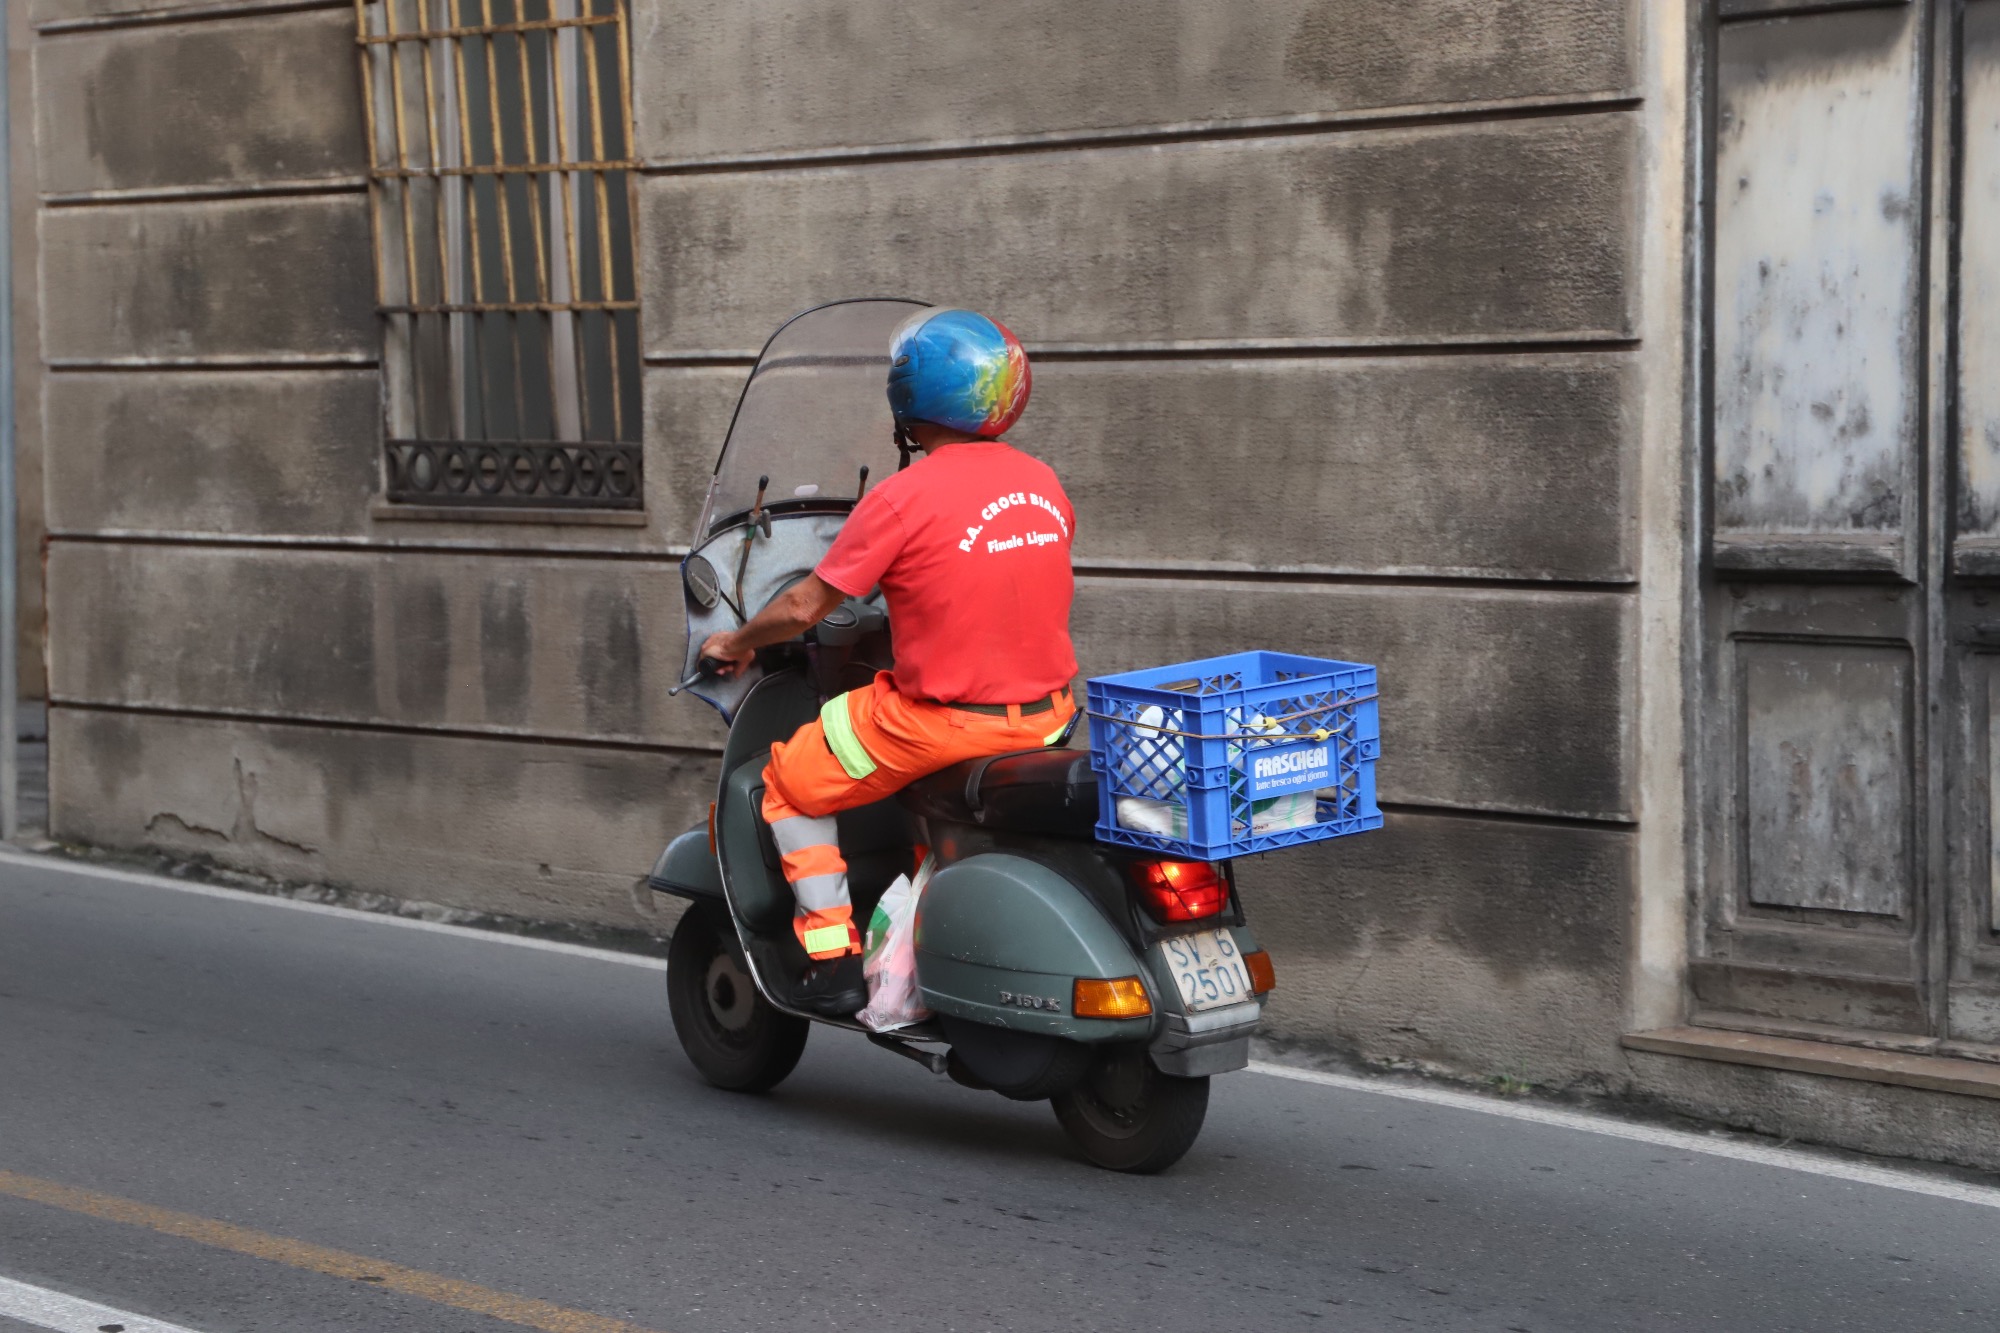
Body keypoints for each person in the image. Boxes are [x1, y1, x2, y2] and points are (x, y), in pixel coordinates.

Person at [697, 308, 1079, 1016]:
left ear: (908, 398)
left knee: (790, 780)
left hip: (945, 723)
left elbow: (804, 606)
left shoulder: (901, 498)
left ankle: (831, 958)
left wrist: (737, 641)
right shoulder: (1043, 484)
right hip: (1047, 718)